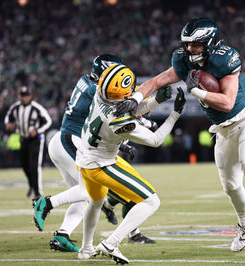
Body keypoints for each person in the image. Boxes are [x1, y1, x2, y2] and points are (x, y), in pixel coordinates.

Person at [114, 17, 245, 252]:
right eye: (188, 44)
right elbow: (156, 81)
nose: (190, 49)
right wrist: (135, 98)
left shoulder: (226, 58)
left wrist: (195, 91)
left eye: (196, 44)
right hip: (221, 130)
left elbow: (227, 102)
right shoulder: (182, 59)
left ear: (210, 42)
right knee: (230, 186)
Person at [33, 54, 171, 252]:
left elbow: (102, 124)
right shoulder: (98, 90)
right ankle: (46, 203)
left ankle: (62, 235)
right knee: (91, 189)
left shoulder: (88, 83)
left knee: (87, 198)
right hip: (73, 140)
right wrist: (147, 120)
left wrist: (121, 141)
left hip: (71, 139)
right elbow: (117, 118)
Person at [75, 63, 185, 264]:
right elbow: (155, 140)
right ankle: (111, 243)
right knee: (151, 201)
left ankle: (86, 249)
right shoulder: (118, 118)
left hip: (83, 157)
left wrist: (156, 100)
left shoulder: (99, 93)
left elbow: (129, 109)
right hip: (102, 165)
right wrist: (175, 114)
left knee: (96, 202)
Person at [5, 86, 52, 199]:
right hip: (23, 138)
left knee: (34, 165)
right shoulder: (15, 107)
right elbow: (8, 118)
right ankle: (32, 184)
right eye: (22, 95)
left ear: (30, 96)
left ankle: (37, 192)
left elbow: (48, 121)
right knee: (24, 164)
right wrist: (9, 124)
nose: (24, 98)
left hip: (36, 140)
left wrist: (37, 131)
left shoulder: (37, 108)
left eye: (26, 95)